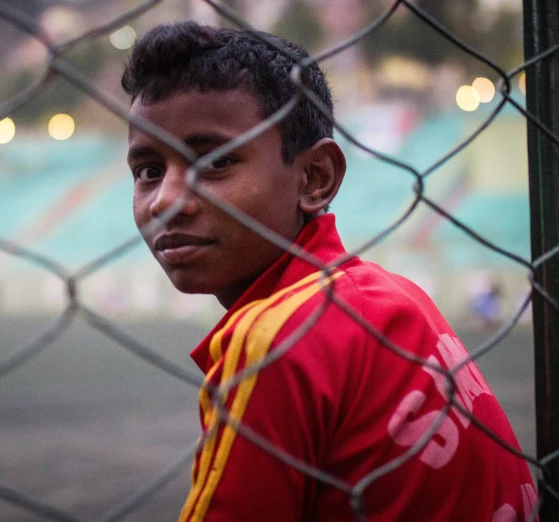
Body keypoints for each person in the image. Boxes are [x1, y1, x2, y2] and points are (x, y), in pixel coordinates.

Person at [122, 22, 536, 521]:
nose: (167, 201)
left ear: (315, 178)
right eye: (148, 171)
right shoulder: (394, 297)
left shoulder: (274, 339)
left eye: (215, 161)